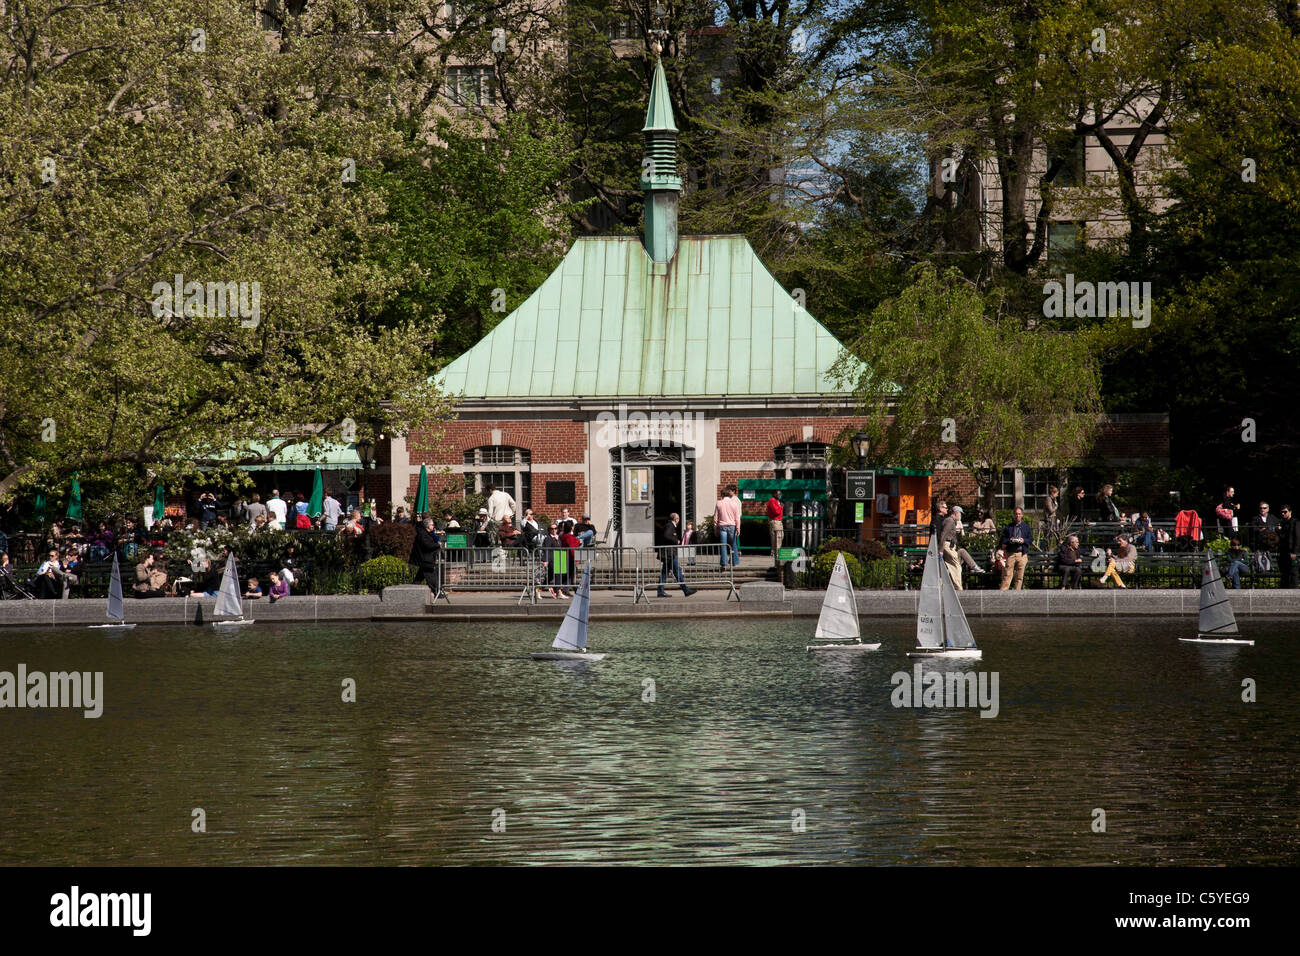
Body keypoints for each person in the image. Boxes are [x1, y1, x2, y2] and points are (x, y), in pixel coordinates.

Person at [656, 512, 697, 598]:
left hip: (669, 553)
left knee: (665, 572)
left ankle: (660, 591)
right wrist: (676, 541)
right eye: (678, 519)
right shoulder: (670, 526)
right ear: (676, 519)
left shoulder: (669, 525)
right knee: (677, 571)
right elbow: (666, 536)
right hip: (670, 553)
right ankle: (686, 590)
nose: (678, 520)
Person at [999, 507, 1032, 590]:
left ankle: (1016, 594)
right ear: (1014, 515)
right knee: (1007, 575)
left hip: (1022, 554)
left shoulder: (1026, 527)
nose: (1018, 515)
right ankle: (1002, 594)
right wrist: (1010, 540)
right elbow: (1003, 539)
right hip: (1011, 553)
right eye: (1016, 514)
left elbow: (1030, 539)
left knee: (1019, 576)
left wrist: (1023, 540)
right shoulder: (1009, 527)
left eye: (1019, 514)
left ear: (1022, 515)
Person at [410, 516, 442, 594]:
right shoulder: (423, 534)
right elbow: (427, 545)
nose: (433, 526)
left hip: (425, 559)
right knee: (431, 576)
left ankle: (412, 590)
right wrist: (438, 545)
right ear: (428, 526)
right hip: (425, 559)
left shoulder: (428, 533)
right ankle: (437, 592)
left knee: (419, 577)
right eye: (432, 525)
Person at [714, 485, 741, 568]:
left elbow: (715, 518)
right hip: (732, 525)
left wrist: (715, 528)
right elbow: (737, 517)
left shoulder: (719, 503)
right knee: (733, 544)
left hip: (722, 526)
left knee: (723, 544)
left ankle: (724, 563)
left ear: (722, 495)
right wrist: (738, 528)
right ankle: (735, 562)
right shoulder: (734, 503)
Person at [557, 524, 582, 597]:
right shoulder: (568, 536)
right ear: (571, 527)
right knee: (572, 575)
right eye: (573, 526)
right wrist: (576, 558)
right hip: (570, 558)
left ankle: (567, 590)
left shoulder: (564, 535)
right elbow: (572, 548)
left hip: (565, 557)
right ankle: (566, 590)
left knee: (570, 575)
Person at [538, 523, 562, 600]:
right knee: (556, 575)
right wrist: (545, 560)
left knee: (551, 576)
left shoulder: (558, 537)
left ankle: (538, 590)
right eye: (552, 529)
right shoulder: (548, 538)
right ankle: (558, 592)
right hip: (552, 559)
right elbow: (547, 549)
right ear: (549, 530)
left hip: (559, 558)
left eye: (555, 528)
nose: (554, 530)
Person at [1278, 504, 1299, 588]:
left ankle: (1293, 589)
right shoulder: (1282, 523)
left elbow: (1297, 538)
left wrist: (1295, 552)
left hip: (1291, 551)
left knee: (1293, 571)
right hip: (1283, 551)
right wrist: (1279, 531)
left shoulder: (1295, 522)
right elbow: (1282, 537)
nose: (1283, 514)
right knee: (1284, 571)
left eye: (1285, 512)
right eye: (1282, 512)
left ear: (1290, 512)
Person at [765, 490, 784, 569]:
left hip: (778, 521)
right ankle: (776, 556)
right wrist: (781, 507)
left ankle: (777, 554)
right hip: (775, 521)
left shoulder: (777, 501)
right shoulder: (772, 501)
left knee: (781, 537)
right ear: (774, 494)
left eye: (780, 494)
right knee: (777, 538)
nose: (779, 495)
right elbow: (776, 511)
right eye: (778, 493)